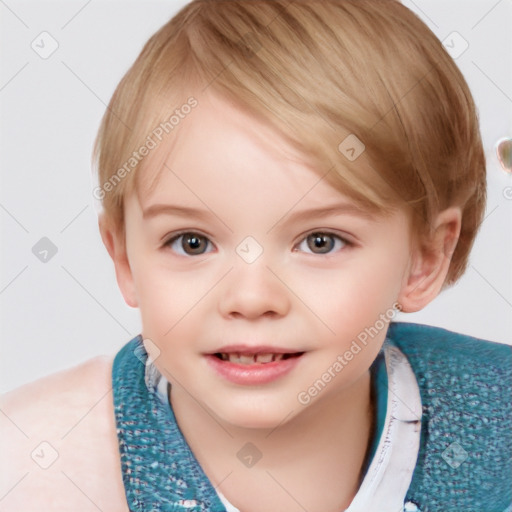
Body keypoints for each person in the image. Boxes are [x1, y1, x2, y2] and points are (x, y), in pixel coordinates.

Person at [1, 1, 511, 510]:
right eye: (191, 242)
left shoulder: (494, 420)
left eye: (320, 242)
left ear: (424, 259)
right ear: (126, 261)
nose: (250, 299)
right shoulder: (35, 467)